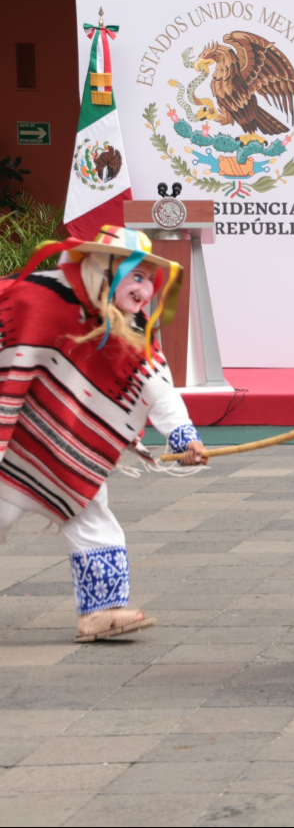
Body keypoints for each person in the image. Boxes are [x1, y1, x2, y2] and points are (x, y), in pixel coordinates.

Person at [0, 226, 208, 643]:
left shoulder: (130, 329)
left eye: (149, 279)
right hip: (12, 445)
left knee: (94, 521)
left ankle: (102, 612)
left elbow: (156, 385)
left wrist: (184, 436)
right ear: (104, 269)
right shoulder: (36, 297)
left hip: (69, 452)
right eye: (136, 275)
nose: (145, 288)